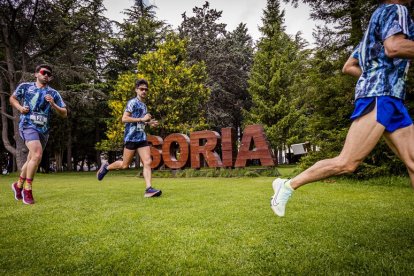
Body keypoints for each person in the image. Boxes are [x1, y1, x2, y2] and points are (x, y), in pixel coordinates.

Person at [271, 0, 414, 217]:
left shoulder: (371, 31)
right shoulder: (396, 10)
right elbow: (394, 47)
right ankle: (288, 185)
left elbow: (349, 66)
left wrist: (371, 77)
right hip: (381, 96)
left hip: (390, 98)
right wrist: (379, 80)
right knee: (347, 162)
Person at [10, 64, 67, 205]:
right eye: (43, 72)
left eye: (49, 74)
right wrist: (20, 108)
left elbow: (64, 113)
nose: (46, 75)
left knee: (31, 159)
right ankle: (27, 190)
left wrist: (53, 104)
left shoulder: (53, 93)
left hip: (44, 130)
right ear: (36, 74)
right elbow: (13, 99)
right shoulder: (25, 87)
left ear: (51, 77)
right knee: (37, 155)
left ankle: (18, 185)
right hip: (27, 125)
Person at [97, 79, 162, 198]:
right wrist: (142, 119)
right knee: (124, 165)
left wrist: (149, 123)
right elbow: (124, 119)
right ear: (136, 89)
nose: (144, 91)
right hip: (131, 138)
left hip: (141, 138)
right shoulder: (132, 102)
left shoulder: (144, 105)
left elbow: (140, 122)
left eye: (146, 89)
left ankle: (149, 189)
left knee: (147, 162)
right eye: (141, 89)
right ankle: (106, 167)